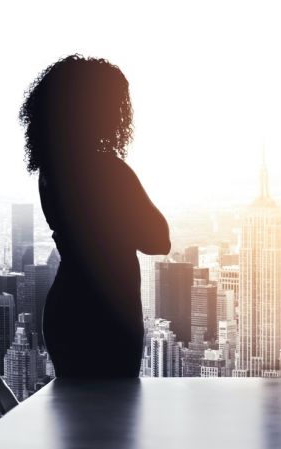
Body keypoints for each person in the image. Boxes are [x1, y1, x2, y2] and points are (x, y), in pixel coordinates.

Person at [19, 55, 170, 377]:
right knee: (115, 413)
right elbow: (159, 240)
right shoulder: (109, 170)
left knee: (78, 417)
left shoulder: (50, 170)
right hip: (110, 311)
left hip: (68, 306)